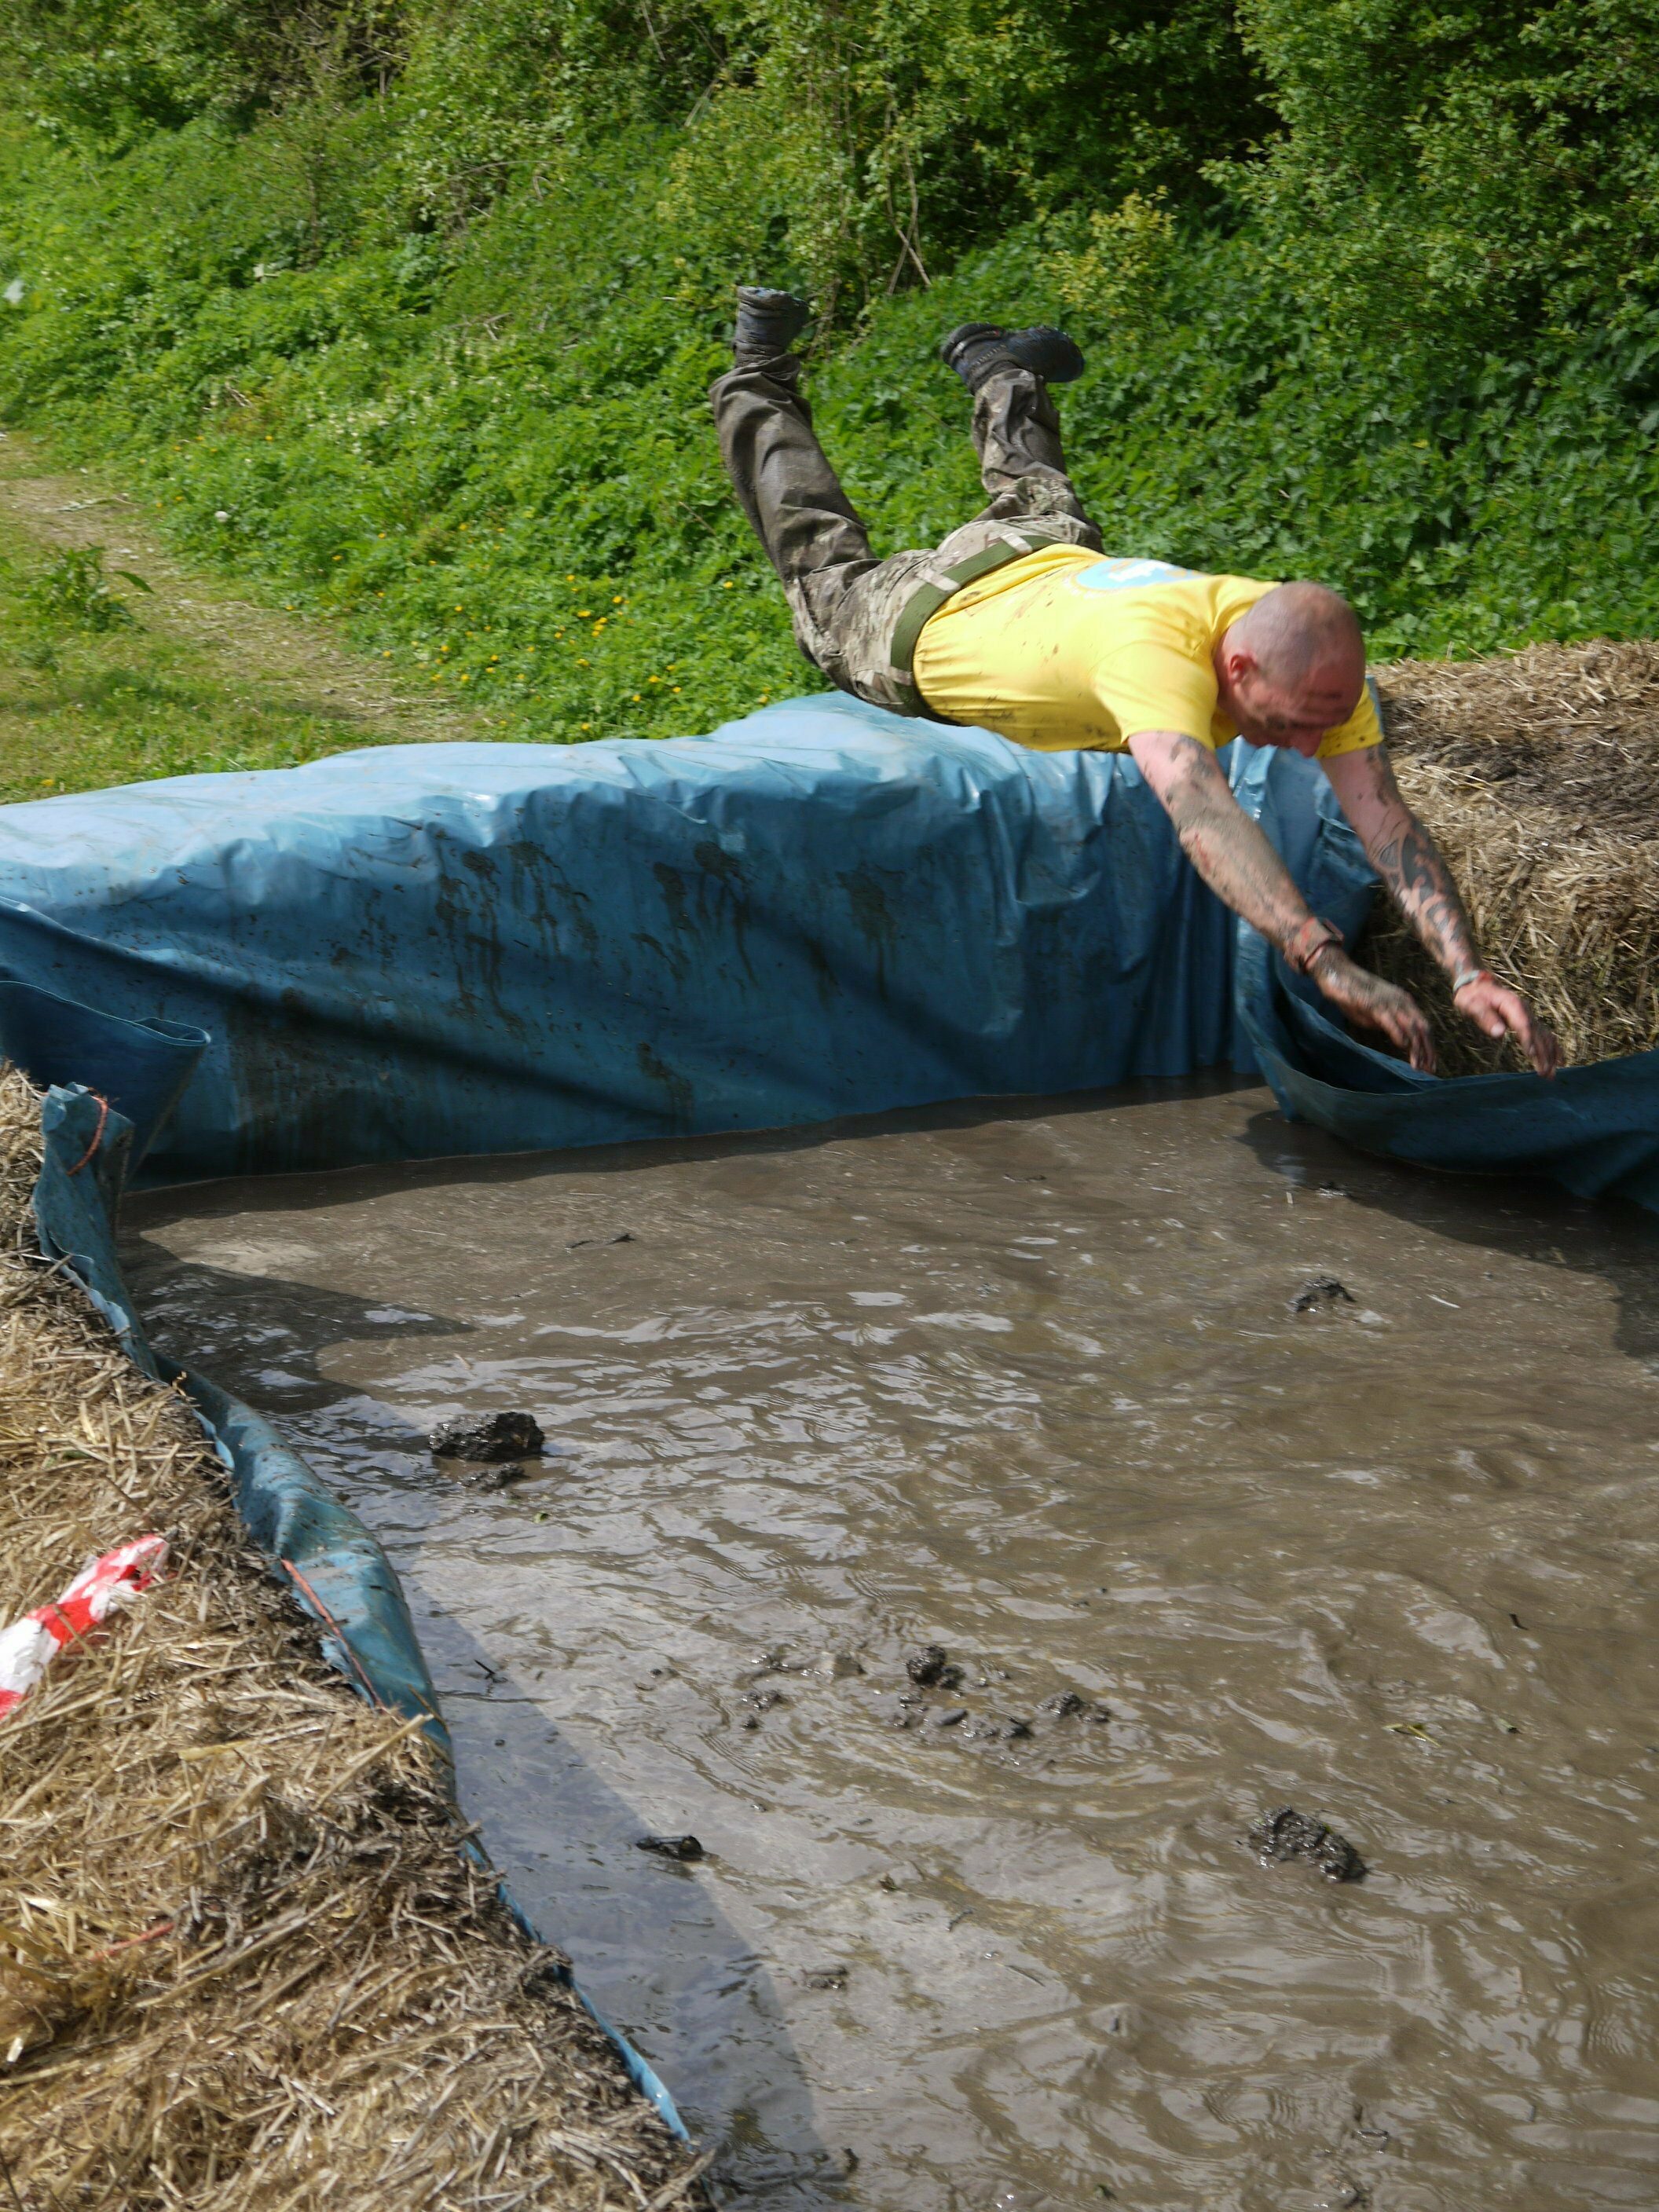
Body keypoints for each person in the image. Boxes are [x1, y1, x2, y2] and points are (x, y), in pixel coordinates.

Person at [710, 287, 1561, 1079]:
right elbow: (1204, 817)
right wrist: (1321, 959)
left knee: (1041, 496)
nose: (1309, 747)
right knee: (818, 553)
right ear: (1235, 665)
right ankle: (758, 372)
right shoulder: (1156, 662)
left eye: (1322, 727)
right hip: (913, 626)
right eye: (1295, 723)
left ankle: (1000, 367)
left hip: (1041, 553)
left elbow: (1387, 823)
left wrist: (1466, 972)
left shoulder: (1309, 658)